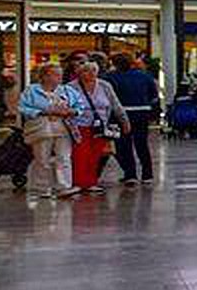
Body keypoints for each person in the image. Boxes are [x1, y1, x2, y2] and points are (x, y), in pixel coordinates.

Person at [17, 61, 81, 201]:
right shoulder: (31, 91)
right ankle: (42, 188)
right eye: (55, 74)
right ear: (45, 76)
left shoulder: (67, 90)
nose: (59, 77)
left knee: (64, 158)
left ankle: (64, 187)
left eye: (60, 75)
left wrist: (72, 111)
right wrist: (43, 112)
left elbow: (79, 106)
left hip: (63, 128)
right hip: (41, 129)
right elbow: (23, 108)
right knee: (42, 158)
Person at [67, 54, 124, 193]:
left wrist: (124, 119)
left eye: (94, 70)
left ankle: (91, 182)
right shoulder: (71, 87)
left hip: (100, 126)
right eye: (87, 71)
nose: (91, 73)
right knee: (80, 154)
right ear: (79, 73)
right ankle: (78, 182)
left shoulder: (104, 85)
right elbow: (66, 105)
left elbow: (115, 103)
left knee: (95, 155)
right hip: (79, 125)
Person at [108, 51, 159, 184]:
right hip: (142, 112)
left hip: (121, 113)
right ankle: (147, 174)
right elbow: (154, 95)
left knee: (123, 145)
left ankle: (130, 174)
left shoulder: (110, 77)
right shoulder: (145, 76)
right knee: (142, 144)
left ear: (115, 64)